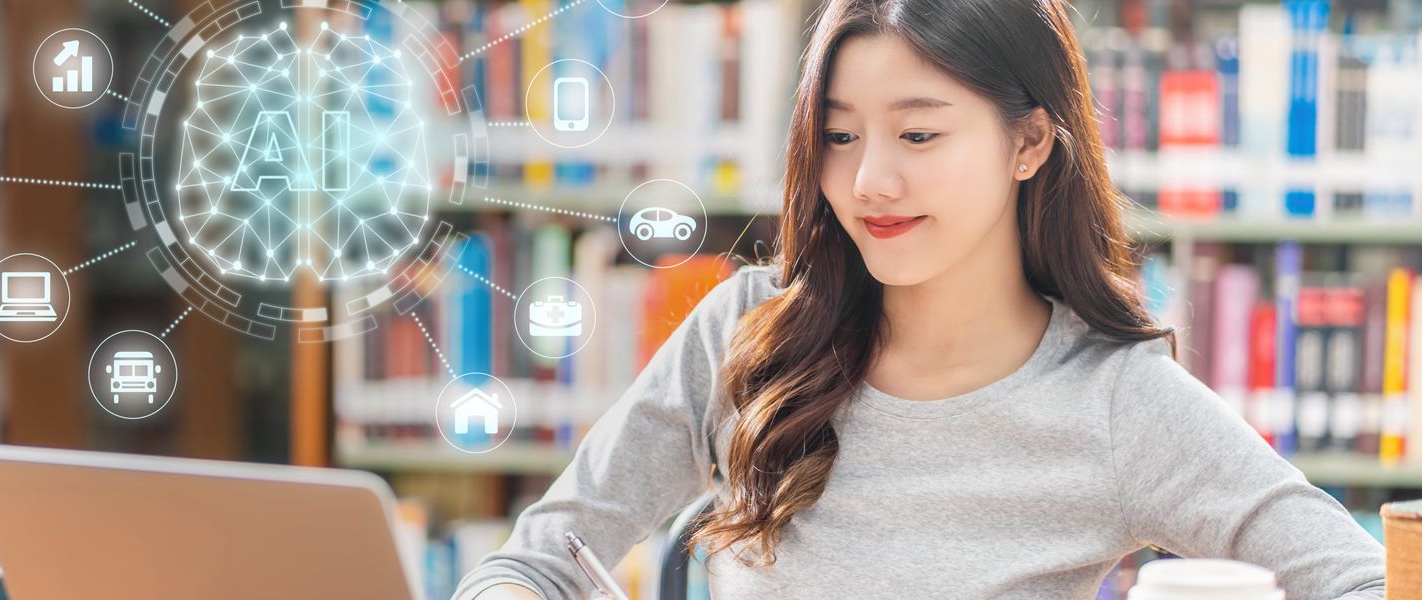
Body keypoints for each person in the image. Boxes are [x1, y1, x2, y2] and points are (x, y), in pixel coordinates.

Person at [453, 0, 1386, 597]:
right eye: (840, 136)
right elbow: (536, 560)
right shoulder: (746, 332)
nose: (869, 184)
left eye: (919, 136)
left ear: (1028, 146)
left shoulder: (1118, 403)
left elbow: (1356, 580)